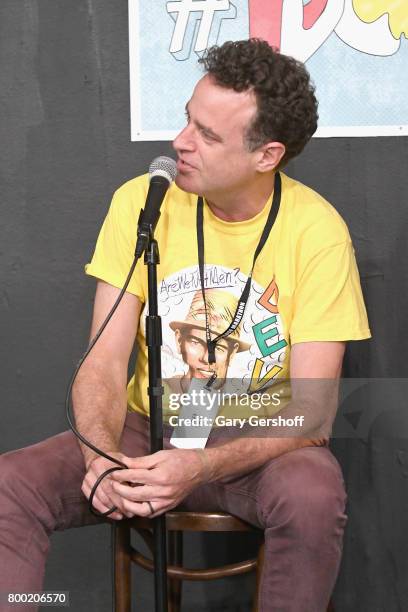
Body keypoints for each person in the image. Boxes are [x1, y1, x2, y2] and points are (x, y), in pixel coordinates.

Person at [0, 39, 371, 611]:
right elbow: (102, 359)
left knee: (313, 493)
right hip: (145, 426)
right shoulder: (143, 203)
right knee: (11, 485)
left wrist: (198, 464)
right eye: (186, 120)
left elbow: (313, 412)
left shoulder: (317, 231)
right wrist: (101, 458)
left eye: (208, 135)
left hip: (257, 442)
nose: (179, 143)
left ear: (267, 155)